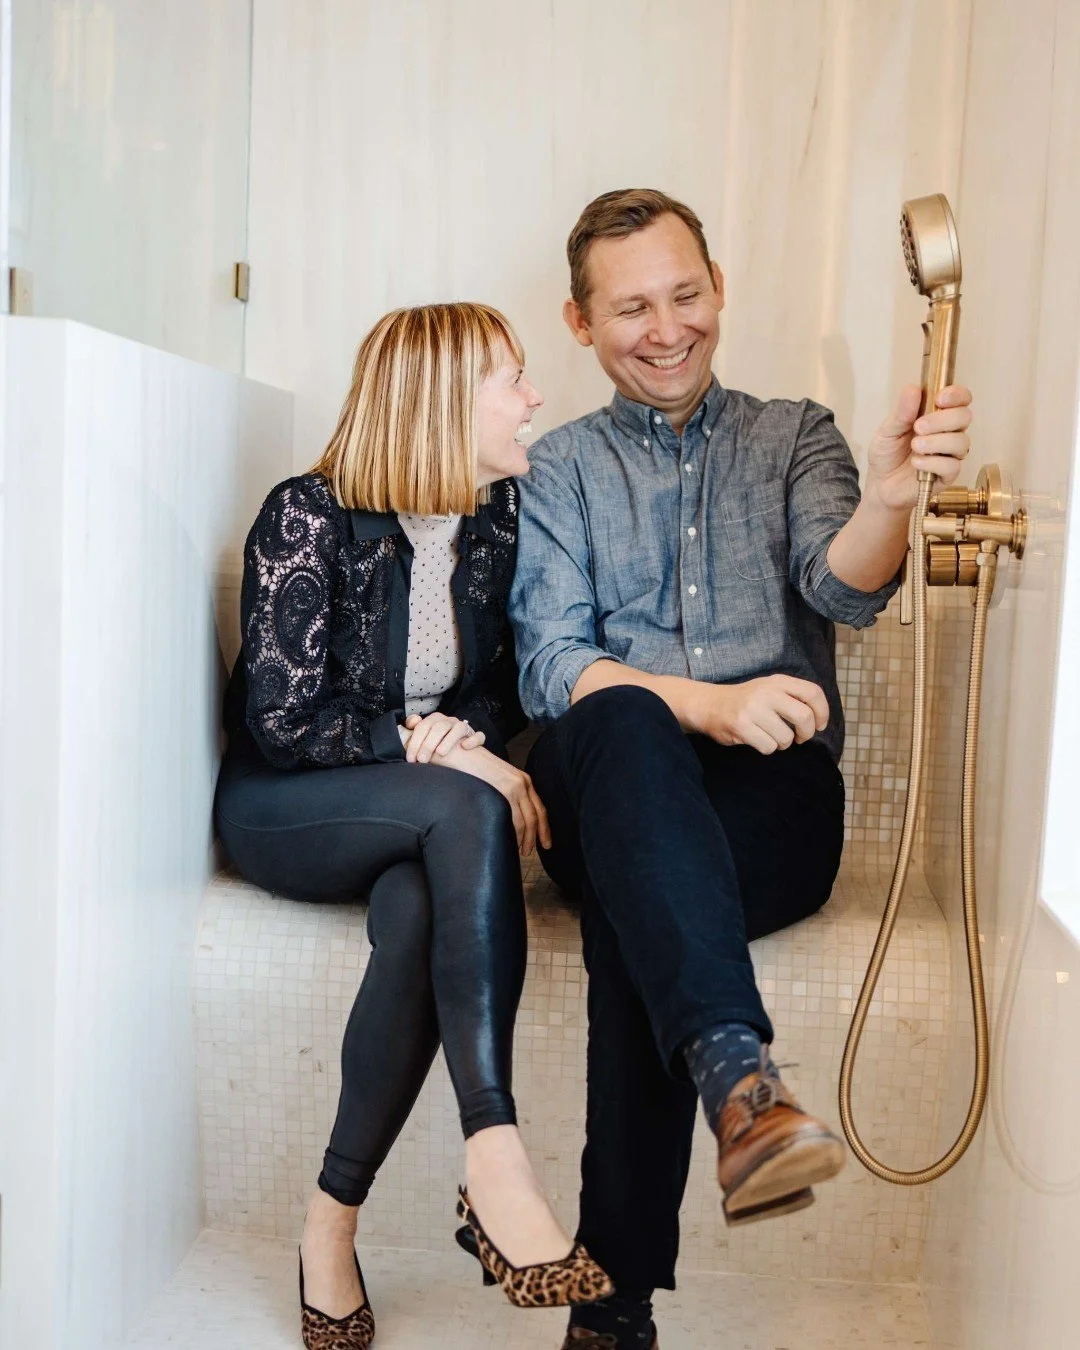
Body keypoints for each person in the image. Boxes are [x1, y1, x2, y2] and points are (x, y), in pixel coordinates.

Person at [507, 189, 973, 1350]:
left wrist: (891, 497)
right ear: (579, 322)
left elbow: (842, 589)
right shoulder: (557, 468)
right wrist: (712, 705)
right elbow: (553, 664)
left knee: (641, 906)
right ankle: (740, 1083)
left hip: (774, 804)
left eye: (687, 296)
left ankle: (615, 1306)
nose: (667, 329)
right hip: (609, 780)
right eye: (632, 309)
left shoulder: (795, 435)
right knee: (620, 721)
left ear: (719, 289)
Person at [215, 303, 613, 1350]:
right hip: (289, 803)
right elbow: (283, 721)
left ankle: (330, 1224)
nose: (534, 398)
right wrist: (438, 748)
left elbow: (501, 689)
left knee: (425, 903)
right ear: (442, 399)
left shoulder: (496, 519)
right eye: (512, 378)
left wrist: (457, 737)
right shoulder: (306, 515)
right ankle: (496, 1150)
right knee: (469, 799)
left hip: (419, 813)